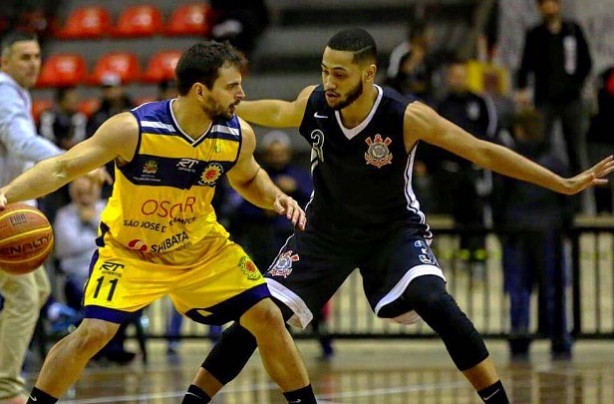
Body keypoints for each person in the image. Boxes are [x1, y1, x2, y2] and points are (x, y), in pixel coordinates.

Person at [186, 28, 614, 404]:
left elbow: (481, 151)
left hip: (392, 232)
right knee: (259, 318)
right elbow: (278, 112)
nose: (328, 82)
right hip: (324, 233)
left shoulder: (405, 115)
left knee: (436, 302)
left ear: (368, 74)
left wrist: (563, 182)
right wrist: (221, 108)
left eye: (340, 73)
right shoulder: (314, 103)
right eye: (324, 70)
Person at [0, 40, 317, 404]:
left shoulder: (236, 133)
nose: (241, 95)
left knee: (266, 315)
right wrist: (7, 193)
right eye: (232, 86)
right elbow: (62, 167)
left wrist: (275, 196)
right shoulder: (134, 128)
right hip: (131, 253)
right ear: (201, 91)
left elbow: (248, 178)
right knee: (94, 332)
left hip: (202, 250)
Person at [0, 30, 62, 404]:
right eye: (25, 56)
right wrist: (75, 163)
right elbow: (21, 143)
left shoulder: (15, 93)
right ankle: (6, 388)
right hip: (5, 211)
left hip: (12, 207)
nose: (33, 63)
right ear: (5, 62)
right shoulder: (4, 91)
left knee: (37, 290)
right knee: (24, 296)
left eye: (37, 56)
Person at [492, 109, 573, 360]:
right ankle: (559, 340)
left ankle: (519, 339)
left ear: (518, 130)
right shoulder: (555, 161)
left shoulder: (509, 160)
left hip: (517, 231)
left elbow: (498, 198)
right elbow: (567, 199)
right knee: (554, 290)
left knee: (519, 290)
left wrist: (502, 230)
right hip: (549, 232)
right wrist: (564, 227)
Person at [516, 0, 592, 175]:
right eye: (545, 4)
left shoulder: (572, 31)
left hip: (571, 99)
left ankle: (576, 197)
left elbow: (585, 62)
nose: (549, 7)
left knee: (575, 150)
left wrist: (576, 84)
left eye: (552, 3)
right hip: (545, 99)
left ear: (559, 5)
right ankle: (543, 194)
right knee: (540, 146)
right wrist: (521, 88)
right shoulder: (535, 34)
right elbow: (525, 64)